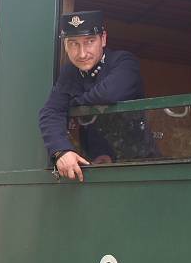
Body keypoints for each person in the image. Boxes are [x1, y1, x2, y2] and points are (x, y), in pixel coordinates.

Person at [38, 10, 153, 182]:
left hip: (140, 163)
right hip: (98, 161)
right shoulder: (70, 72)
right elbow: (50, 112)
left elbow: (107, 94)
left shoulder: (124, 61)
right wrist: (61, 150)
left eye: (89, 41)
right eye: (73, 44)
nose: (82, 53)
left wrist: (73, 104)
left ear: (103, 39)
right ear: (65, 46)